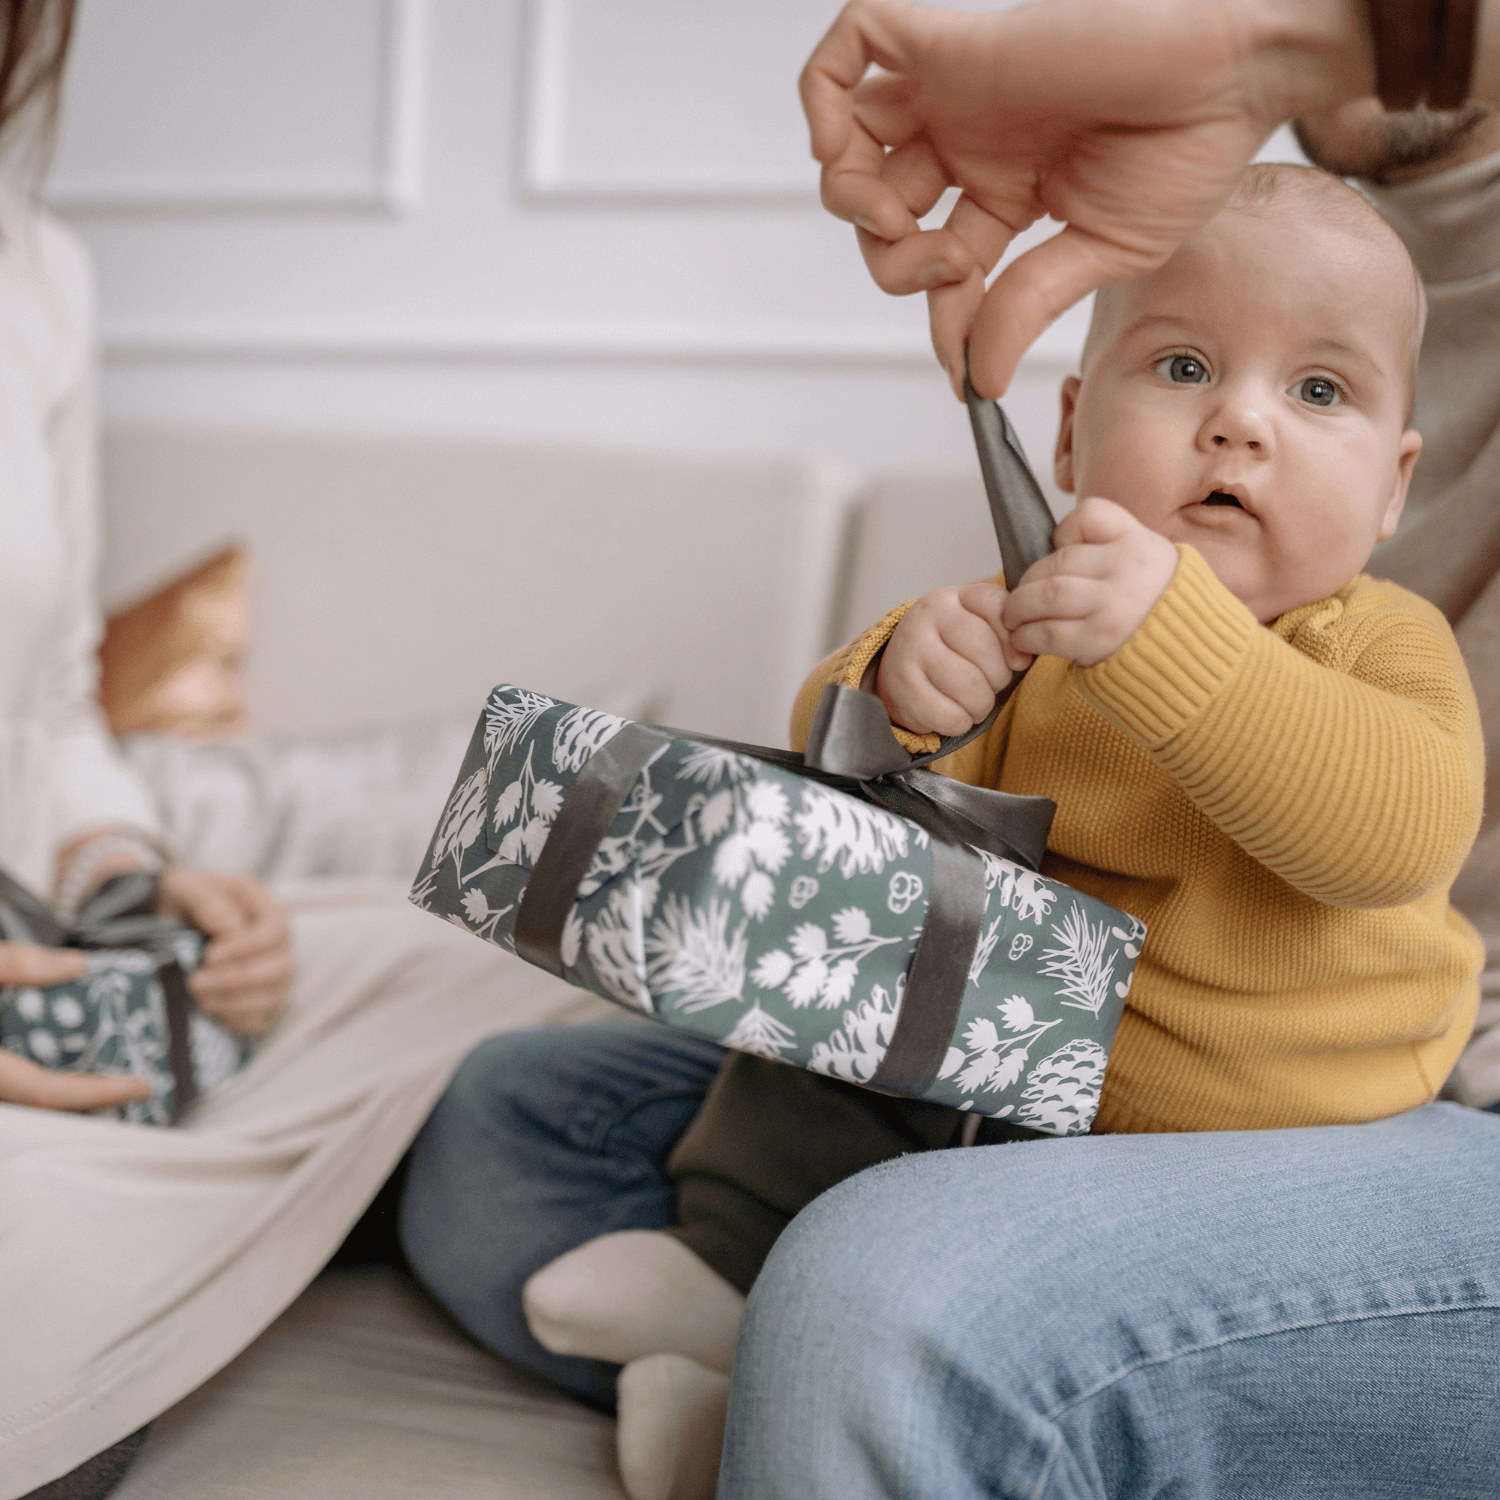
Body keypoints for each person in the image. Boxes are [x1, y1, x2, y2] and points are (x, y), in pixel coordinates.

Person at [509, 162, 1483, 1500]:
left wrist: (1177, 643)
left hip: (1282, 1136)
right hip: (1018, 1084)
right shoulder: (1039, 628)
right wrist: (898, 683)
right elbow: (842, 791)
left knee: (866, 1218)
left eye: (1320, 392)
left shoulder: (1374, 638)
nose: (1239, 427)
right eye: (1186, 364)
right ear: (1071, 436)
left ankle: (758, 1369)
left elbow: (1395, 831)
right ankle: (741, 1362)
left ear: (1391, 486)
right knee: (519, 1113)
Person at [0, 6, 608, 1494]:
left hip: (60, 982)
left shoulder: (36, 273)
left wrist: (137, 873)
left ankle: (199, 1193)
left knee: (508, 948)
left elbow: (54, 708)